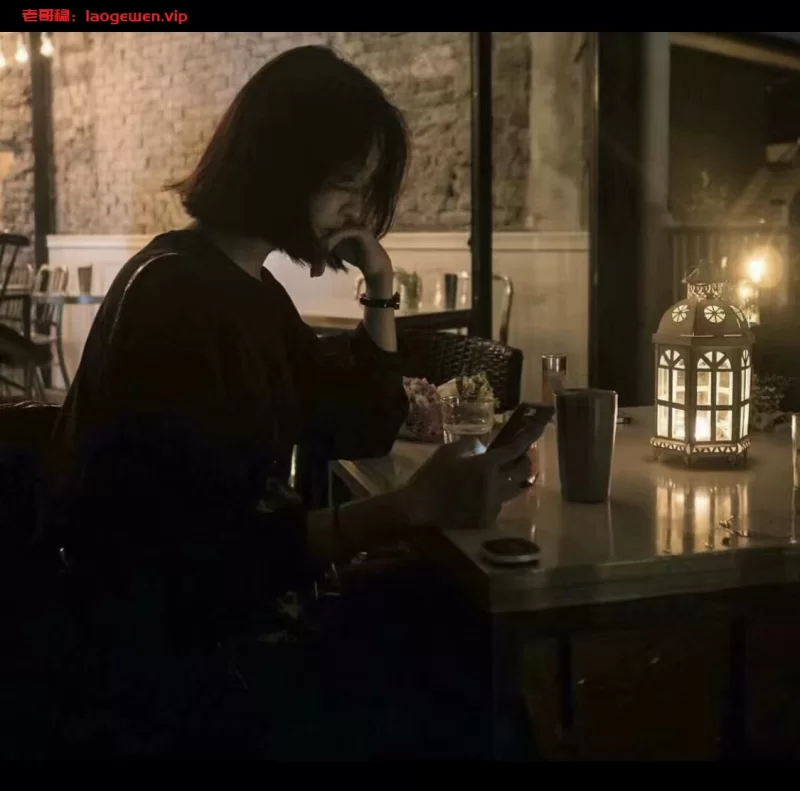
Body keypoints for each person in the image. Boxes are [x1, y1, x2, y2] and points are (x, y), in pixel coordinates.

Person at [44, 45, 535, 758]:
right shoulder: (178, 299)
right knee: (461, 653)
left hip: (234, 625)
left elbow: (363, 423)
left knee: (457, 618)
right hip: (178, 678)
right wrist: (402, 508)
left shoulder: (247, 288)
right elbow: (209, 567)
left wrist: (379, 283)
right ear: (280, 167)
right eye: (345, 186)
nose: (357, 211)